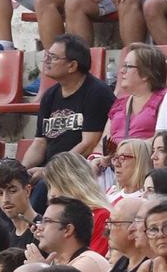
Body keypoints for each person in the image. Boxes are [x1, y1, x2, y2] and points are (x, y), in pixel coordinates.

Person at [23, 34, 115, 170]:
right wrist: (21, 171)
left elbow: (88, 144)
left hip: (79, 171)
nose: (47, 61)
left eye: (53, 57)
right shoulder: (50, 95)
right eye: (47, 55)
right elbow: (40, 143)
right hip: (52, 169)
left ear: (72, 66)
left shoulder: (97, 93)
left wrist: (50, 171)